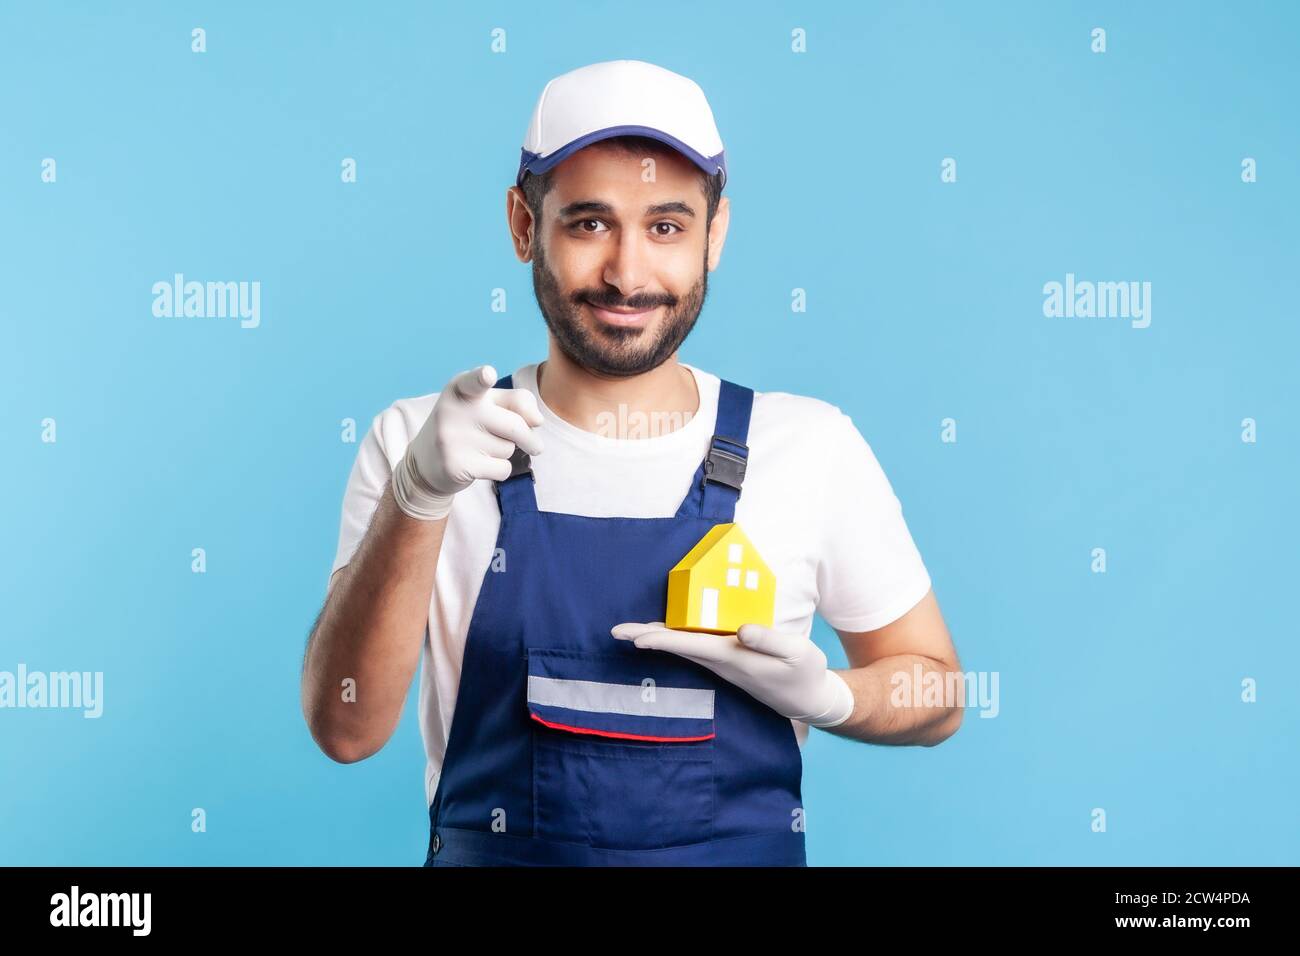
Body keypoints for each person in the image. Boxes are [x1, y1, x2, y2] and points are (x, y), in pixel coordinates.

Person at [301, 59, 962, 867]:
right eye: (588, 223)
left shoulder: (810, 447)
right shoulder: (425, 442)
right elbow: (345, 729)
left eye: (666, 226)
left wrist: (831, 696)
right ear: (521, 225)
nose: (627, 272)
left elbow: (940, 692)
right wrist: (418, 494)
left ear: (714, 235)